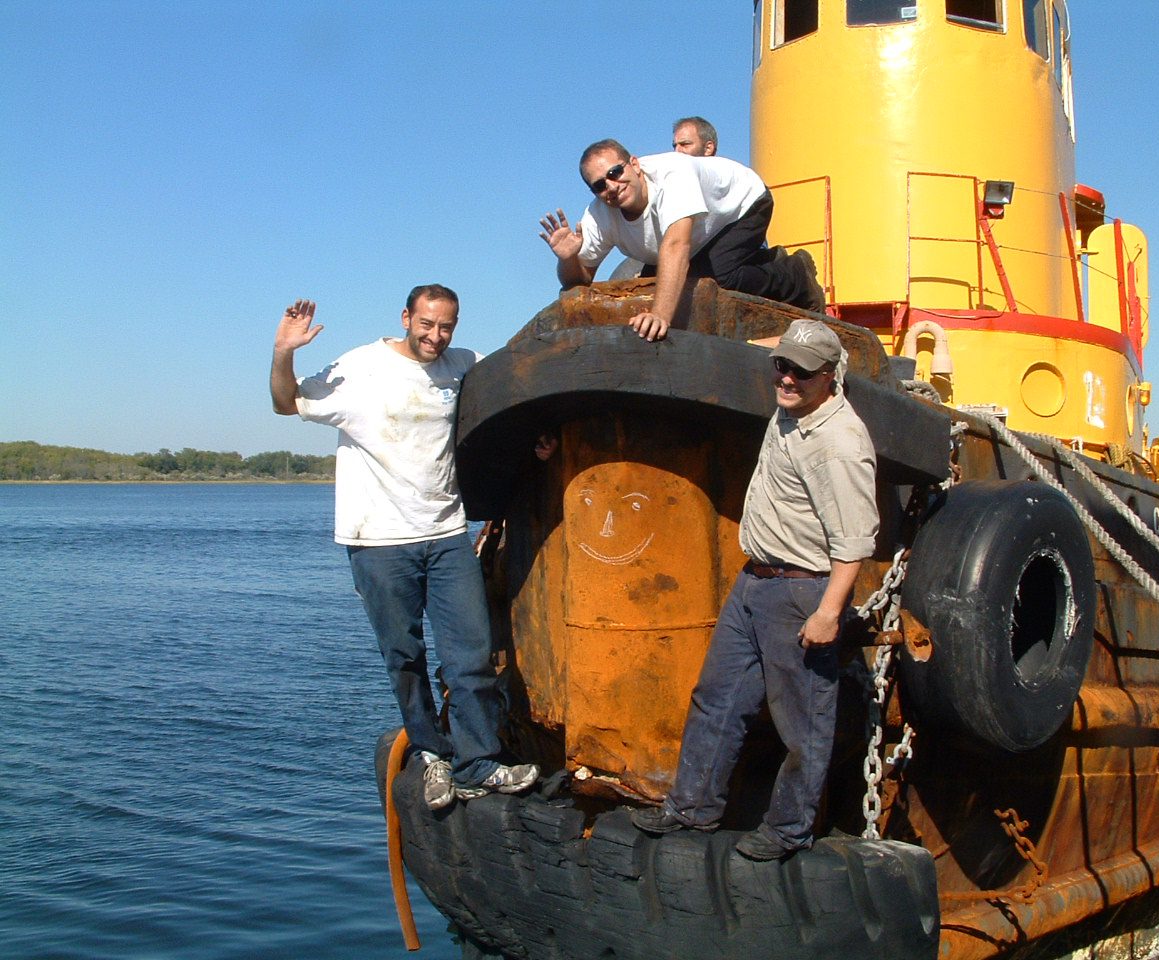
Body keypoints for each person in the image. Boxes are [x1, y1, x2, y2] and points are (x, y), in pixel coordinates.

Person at [270, 287, 538, 811]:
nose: (436, 337)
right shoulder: (361, 368)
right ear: (406, 318)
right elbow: (286, 403)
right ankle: (432, 754)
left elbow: (512, 394)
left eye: (446, 327)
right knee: (405, 656)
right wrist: (284, 352)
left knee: (472, 655)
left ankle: (477, 764)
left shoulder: (463, 365)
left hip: (445, 535)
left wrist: (536, 439)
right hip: (378, 541)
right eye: (426, 325)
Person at [630, 318, 878, 861]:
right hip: (755, 580)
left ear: (830, 377)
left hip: (801, 591)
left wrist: (829, 613)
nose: (786, 378)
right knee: (717, 698)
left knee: (802, 721)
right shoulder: (795, 403)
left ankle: (790, 830)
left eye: (802, 372)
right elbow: (779, 353)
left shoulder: (838, 444)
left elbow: (855, 541)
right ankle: (691, 807)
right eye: (782, 366)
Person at [538, 139, 825, 343]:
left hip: (741, 206)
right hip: (696, 237)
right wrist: (568, 258)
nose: (611, 186)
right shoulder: (600, 214)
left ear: (634, 165)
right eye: (599, 185)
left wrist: (661, 316)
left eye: (615, 173)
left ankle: (794, 274)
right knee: (651, 290)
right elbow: (577, 281)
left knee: (718, 278)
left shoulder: (672, 175)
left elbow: (676, 246)